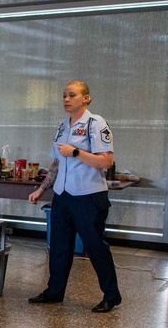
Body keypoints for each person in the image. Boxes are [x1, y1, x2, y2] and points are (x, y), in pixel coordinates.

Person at [28, 81, 122, 313]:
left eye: (72, 95)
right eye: (64, 96)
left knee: (95, 247)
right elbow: (56, 162)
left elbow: (106, 160)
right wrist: (42, 189)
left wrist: (77, 152)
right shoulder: (62, 126)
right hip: (63, 195)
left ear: (86, 98)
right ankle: (54, 292)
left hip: (88, 195)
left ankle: (111, 295)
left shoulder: (95, 123)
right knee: (59, 247)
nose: (66, 99)